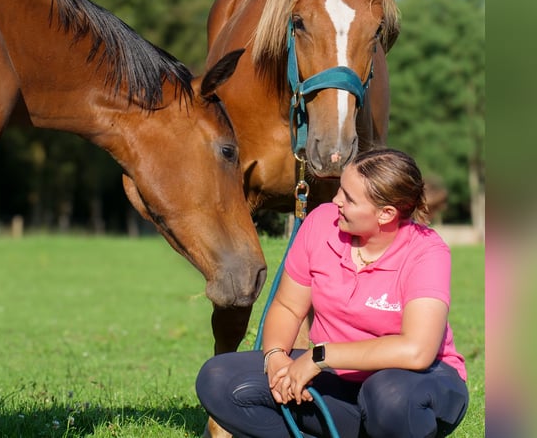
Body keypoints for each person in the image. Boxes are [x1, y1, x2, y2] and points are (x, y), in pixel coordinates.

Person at [196, 148, 469, 438]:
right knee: (218, 379)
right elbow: (288, 307)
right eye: (340, 190)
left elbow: (416, 351)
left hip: (417, 384)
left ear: (386, 214)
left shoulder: (427, 252)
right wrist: (275, 356)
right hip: (338, 381)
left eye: (349, 199)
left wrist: (319, 356)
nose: (336, 201)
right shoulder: (321, 222)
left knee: (390, 398)